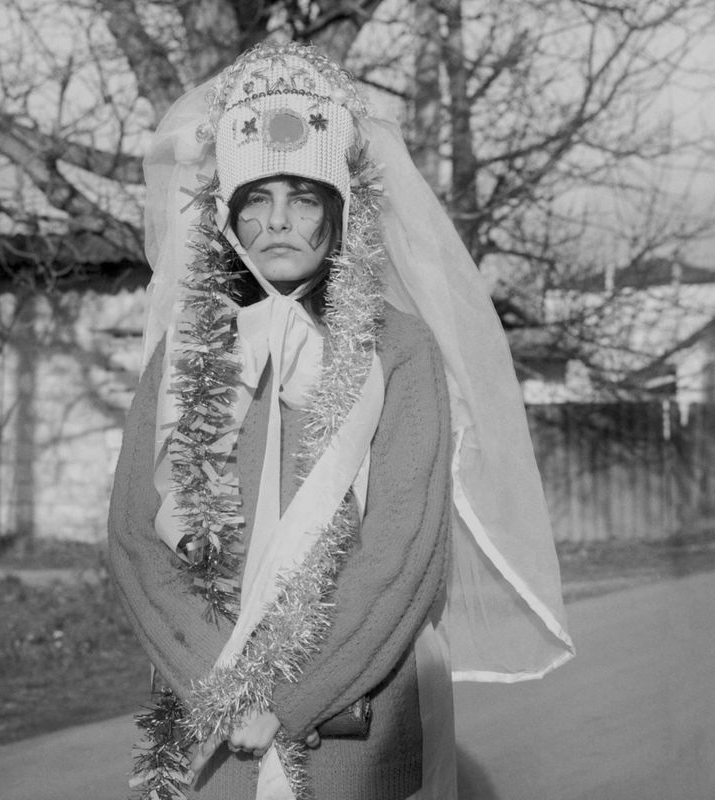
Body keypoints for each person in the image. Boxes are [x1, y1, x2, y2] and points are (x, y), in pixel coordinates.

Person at [108, 42, 575, 800]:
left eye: (304, 196)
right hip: (211, 724)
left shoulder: (400, 348)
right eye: (255, 198)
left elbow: (402, 552)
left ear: (342, 209)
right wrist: (225, 695)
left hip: (354, 724)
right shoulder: (186, 350)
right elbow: (136, 537)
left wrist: (288, 701)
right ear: (225, 217)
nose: (279, 222)